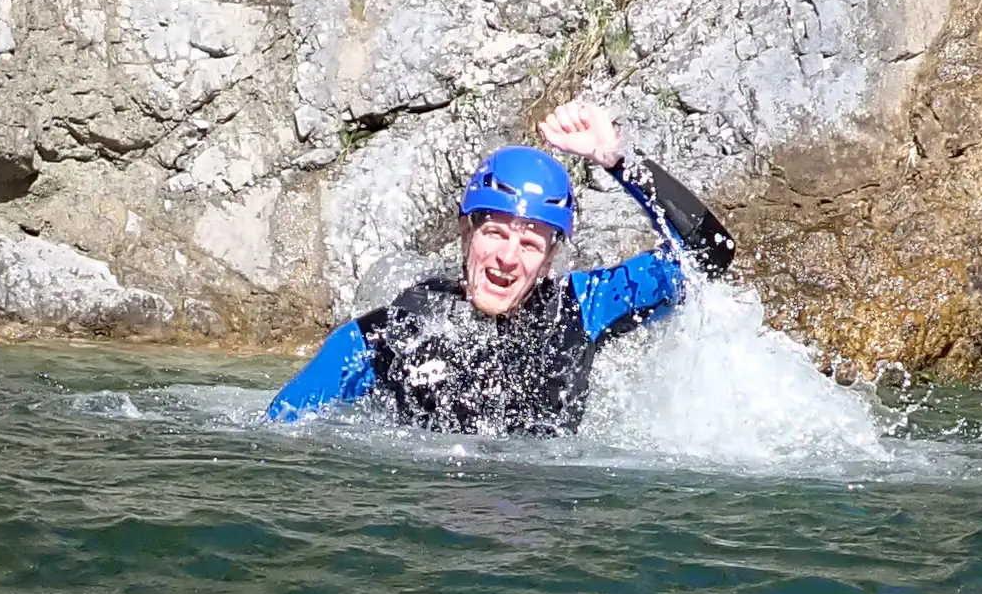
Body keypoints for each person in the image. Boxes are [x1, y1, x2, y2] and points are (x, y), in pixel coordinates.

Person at [265, 99, 735, 436]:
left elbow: (711, 253)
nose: (509, 258)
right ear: (466, 234)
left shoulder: (583, 309)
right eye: (494, 234)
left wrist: (619, 161)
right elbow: (275, 435)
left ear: (551, 257)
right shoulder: (386, 335)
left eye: (531, 243)